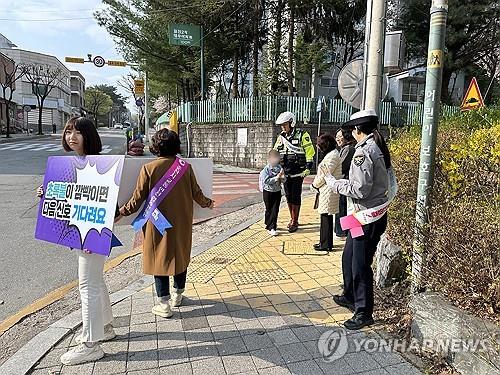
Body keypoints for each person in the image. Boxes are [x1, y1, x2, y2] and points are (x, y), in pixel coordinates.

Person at [37, 117, 115, 365]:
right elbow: (66, 197)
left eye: (78, 132)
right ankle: (105, 327)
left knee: (87, 286)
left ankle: (90, 344)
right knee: (95, 281)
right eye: (68, 131)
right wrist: (47, 192)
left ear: (89, 136)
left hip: (92, 234)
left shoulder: (99, 164)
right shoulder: (71, 164)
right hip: (83, 233)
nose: (71, 136)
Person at [116, 129, 213, 319]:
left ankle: (164, 304)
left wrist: (121, 212)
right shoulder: (185, 167)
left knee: (158, 258)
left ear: (155, 147)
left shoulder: (149, 168)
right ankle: (178, 294)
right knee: (181, 255)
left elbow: (137, 199)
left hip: (157, 222)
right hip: (182, 222)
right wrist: (208, 203)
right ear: (176, 146)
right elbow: (197, 193)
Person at [322, 109, 393, 330]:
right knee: (349, 256)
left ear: (357, 130)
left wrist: (332, 183)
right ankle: (350, 295)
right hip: (359, 215)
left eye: (352, 129)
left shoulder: (365, 152)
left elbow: (359, 189)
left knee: (360, 264)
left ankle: (363, 311)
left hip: (367, 217)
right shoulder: (374, 146)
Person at [273, 111, 315, 233]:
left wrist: (308, 167)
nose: (282, 127)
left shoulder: (302, 135)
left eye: (284, 124)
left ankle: (295, 220)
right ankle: (292, 218)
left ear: (292, 123)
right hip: (285, 172)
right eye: (281, 125)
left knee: (296, 196)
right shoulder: (281, 137)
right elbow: (275, 151)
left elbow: (309, 152)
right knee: (288, 195)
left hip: (298, 172)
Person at [311, 133, 343, 251]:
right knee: (325, 216)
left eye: (320, 145)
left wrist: (314, 185)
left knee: (326, 217)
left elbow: (325, 175)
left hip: (328, 190)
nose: (318, 148)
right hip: (326, 190)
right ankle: (323, 242)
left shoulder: (333, 156)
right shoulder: (331, 154)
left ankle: (326, 244)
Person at [334, 128, 356, 240]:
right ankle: (345, 232)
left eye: (339, 136)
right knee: (344, 208)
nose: (337, 139)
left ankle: (343, 232)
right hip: (344, 183)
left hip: (346, 183)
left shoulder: (349, 149)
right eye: (336, 136)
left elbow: (341, 167)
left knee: (344, 208)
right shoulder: (344, 149)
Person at [259, 149, 285, 236]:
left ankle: (272, 227)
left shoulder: (280, 168)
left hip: (277, 191)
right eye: (274, 158)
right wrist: (276, 178)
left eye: (278, 158)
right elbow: (266, 181)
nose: (276, 160)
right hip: (268, 192)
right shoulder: (266, 170)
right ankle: (269, 223)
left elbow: (284, 180)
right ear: (269, 159)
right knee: (269, 209)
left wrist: (282, 177)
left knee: (275, 209)